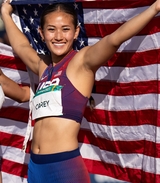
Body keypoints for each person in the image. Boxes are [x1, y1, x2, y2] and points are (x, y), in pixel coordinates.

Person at [1, 0, 160, 182]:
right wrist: (5, 14)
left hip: (64, 167)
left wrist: (155, 8)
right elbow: (22, 47)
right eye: (51, 29)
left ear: (76, 32)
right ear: (41, 33)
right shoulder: (43, 66)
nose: (58, 36)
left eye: (65, 29)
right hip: (35, 167)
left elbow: (114, 39)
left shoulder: (81, 62)